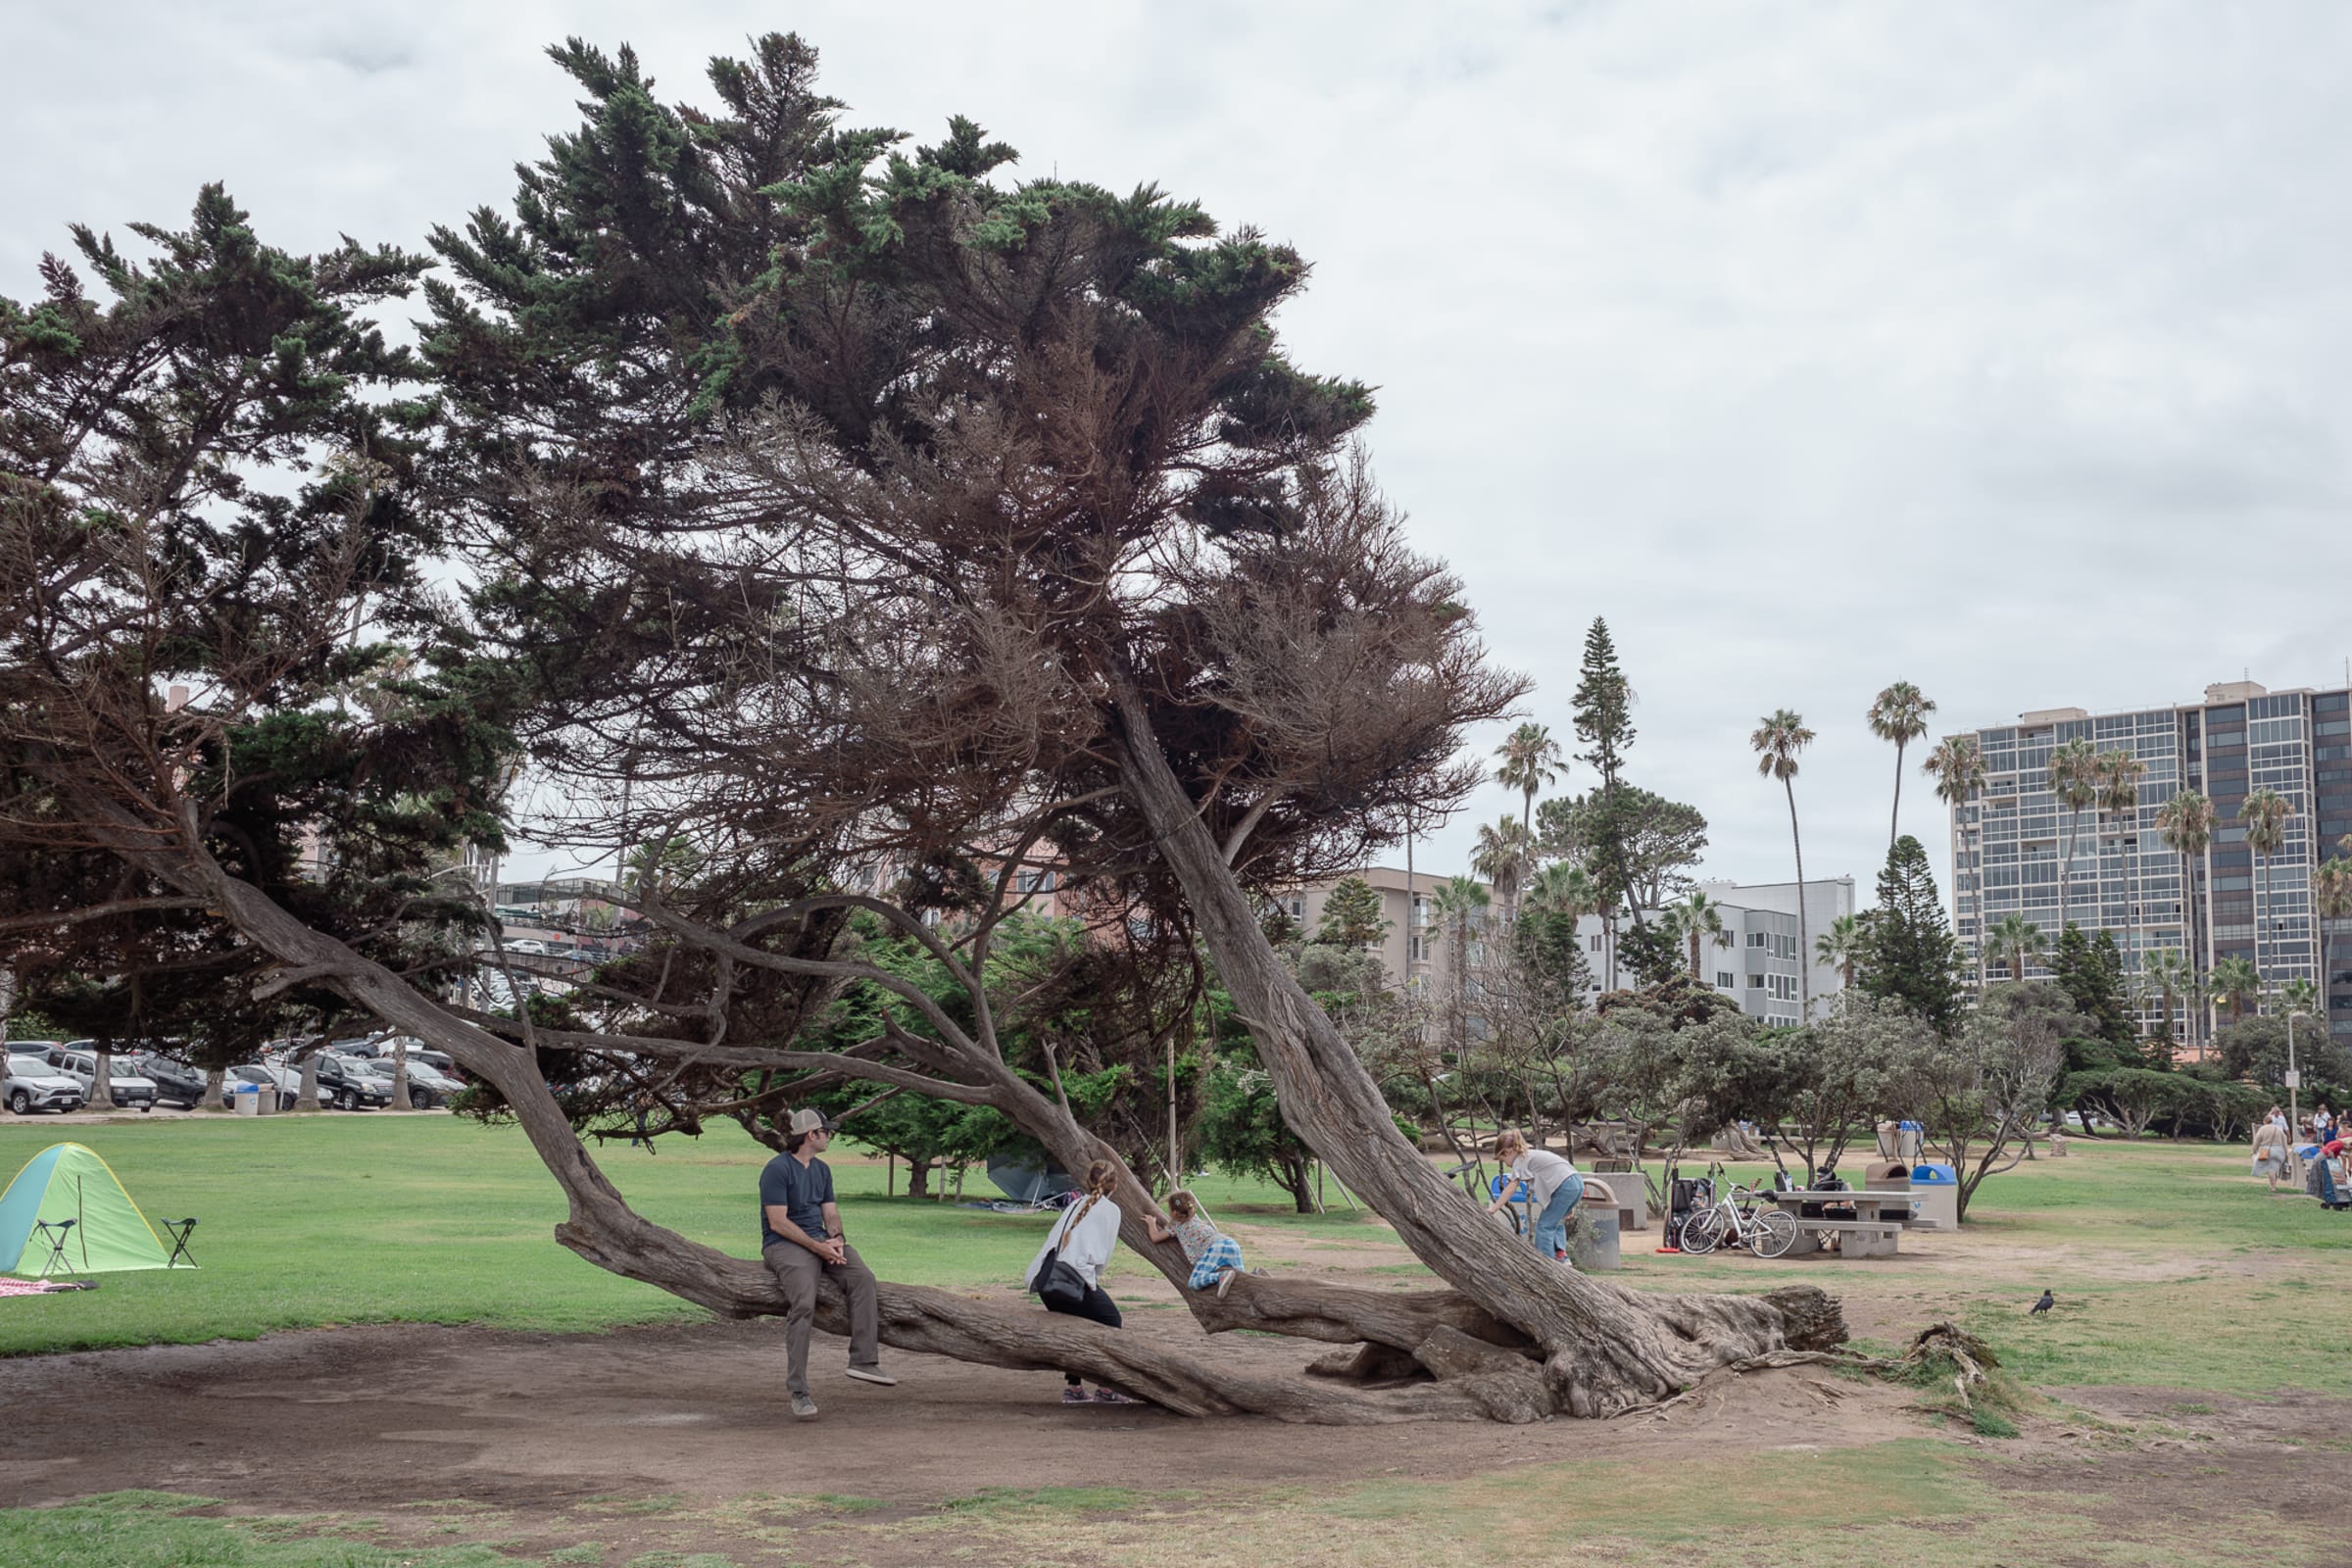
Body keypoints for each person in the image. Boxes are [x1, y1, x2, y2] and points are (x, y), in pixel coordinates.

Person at [760, 1108, 895, 1419]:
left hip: (820, 1241)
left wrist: (836, 1238)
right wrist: (819, 1248)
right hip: (784, 1245)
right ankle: (799, 1390)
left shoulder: (822, 1170)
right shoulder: (776, 1170)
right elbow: (778, 1223)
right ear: (812, 1135)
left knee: (862, 1277)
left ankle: (863, 1360)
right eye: (827, 1131)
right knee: (804, 1303)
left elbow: (830, 1213)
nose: (830, 1136)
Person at [1026, 1158, 1133, 1403]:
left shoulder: (1076, 1202)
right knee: (1111, 1320)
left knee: (1076, 1325)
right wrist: (1091, 1282)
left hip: (1046, 1279)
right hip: (1069, 1280)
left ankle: (1074, 1388)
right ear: (1114, 1186)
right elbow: (1102, 1256)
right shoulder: (1111, 1210)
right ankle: (1106, 1388)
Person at [1486, 1129, 1584, 1263]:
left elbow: (1510, 1188)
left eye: (1503, 1160)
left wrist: (1493, 1208)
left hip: (1565, 1186)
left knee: (1544, 1226)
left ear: (1507, 1152)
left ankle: (1546, 1263)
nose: (1507, 1165)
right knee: (1555, 1222)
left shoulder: (1520, 1160)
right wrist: (1569, 1205)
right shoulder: (1531, 1156)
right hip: (1575, 1182)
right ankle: (1561, 1255)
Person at [1144, 1190, 1246, 1298]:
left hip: (1216, 1248)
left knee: (1195, 1282)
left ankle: (1220, 1276)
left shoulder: (1176, 1225)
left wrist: (1151, 1223)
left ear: (1174, 1213)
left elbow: (1155, 1238)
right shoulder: (1195, 1218)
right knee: (1241, 1276)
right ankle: (1256, 1275)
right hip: (1231, 1243)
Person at [2251, 1117, 2292, 1192]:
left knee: (2271, 1169)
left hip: (2267, 1150)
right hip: (2279, 1150)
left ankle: (2273, 1186)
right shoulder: (2278, 1129)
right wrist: (2286, 1153)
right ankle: (2274, 1184)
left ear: (2264, 1121)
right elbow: (2284, 1140)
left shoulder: (2262, 1129)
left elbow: (2257, 1141)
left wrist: (2254, 1150)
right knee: (2275, 1168)